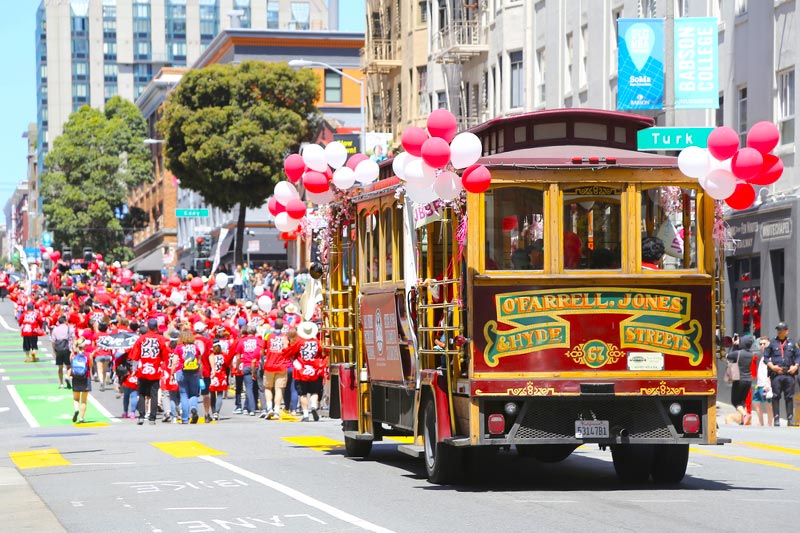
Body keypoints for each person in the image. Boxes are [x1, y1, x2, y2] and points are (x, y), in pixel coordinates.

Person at [128, 318, 171, 425]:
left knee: (141, 393)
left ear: (148, 327)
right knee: (154, 394)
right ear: (156, 327)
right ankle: (152, 417)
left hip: (142, 370)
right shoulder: (161, 339)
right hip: (155, 370)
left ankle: (141, 416)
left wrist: (134, 370)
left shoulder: (141, 338)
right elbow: (165, 356)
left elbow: (134, 357)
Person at [285, 321, 325, 422]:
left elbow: (289, 352)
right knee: (315, 391)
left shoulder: (299, 342)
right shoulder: (317, 342)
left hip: (301, 371)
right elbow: (323, 353)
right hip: (314, 370)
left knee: (302, 394)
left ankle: (306, 414)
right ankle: (314, 405)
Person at [762, 321, 799, 426]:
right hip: (776, 373)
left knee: (789, 397)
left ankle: (790, 418)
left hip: (789, 373)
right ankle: (777, 418)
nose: (779, 332)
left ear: (786, 331)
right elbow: (765, 357)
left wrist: (795, 366)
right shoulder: (772, 343)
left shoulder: (792, 343)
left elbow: (798, 356)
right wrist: (772, 367)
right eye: (778, 330)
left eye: (782, 330)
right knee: (776, 396)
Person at [232, 325, 264, 416]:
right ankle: (256, 407)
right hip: (257, 365)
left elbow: (238, 356)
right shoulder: (259, 341)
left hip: (246, 365)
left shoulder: (242, 341)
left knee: (248, 388)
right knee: (258, 387)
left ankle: (252, 409)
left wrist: (237, 367)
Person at [263, 319, 289, 419]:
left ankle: (269, 408)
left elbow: (262, 350)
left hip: (269, 364)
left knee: (268, 387)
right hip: (281, 365)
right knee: (279, 389)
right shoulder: (285, 337)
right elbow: (287, 349)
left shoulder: (268, 336)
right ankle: (277, 410)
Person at [726, 334, 756, 424]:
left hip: (739, 379)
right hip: (748, 380)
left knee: (735, 401)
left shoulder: (737, 353)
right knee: (742, 401)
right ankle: (744, 419)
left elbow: (727, 356)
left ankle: (745, 415)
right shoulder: (751, 354)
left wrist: (733, 345)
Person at [174, 329, 202, 424]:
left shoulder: (179, 347)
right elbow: (199, 362)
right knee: (194, 394)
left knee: (184, 395)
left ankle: (185, 419)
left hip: (181, 371)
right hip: (194, 372)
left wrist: (172, 373)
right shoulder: (196, 347)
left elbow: (174, 361)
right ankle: (193, 408)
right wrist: (200, 374)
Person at [67, 338, 93, 424]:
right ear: (84, 346)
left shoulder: (73, 355)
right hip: (86, 377)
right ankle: (81, 418)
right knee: (84, 400)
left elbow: (71, 365)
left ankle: (76, 410)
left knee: (76, 398)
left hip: (76, 377)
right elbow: (91, 366)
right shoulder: (88, 355)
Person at [752, 336, 775, 426]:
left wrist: (768, 383)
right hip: (759, 384)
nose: (762, 346)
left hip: (766, 385)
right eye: (760, 344)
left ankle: (769, 423)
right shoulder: (763, 356)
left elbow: (771, 371)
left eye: (764, 344)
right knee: (755, 402)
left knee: (768, 405)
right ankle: (761, 422)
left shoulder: (771, 356)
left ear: (769, 344)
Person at [50, 315, 74, 389]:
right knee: (69, 366)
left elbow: (53, 341)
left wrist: (54, 351)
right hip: (67, 349)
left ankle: (61, 384)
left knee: (60, 367)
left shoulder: (55, 329)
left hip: (59, 350)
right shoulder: (69, 329)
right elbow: (73, 339)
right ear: (65, 321)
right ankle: (67, 377)